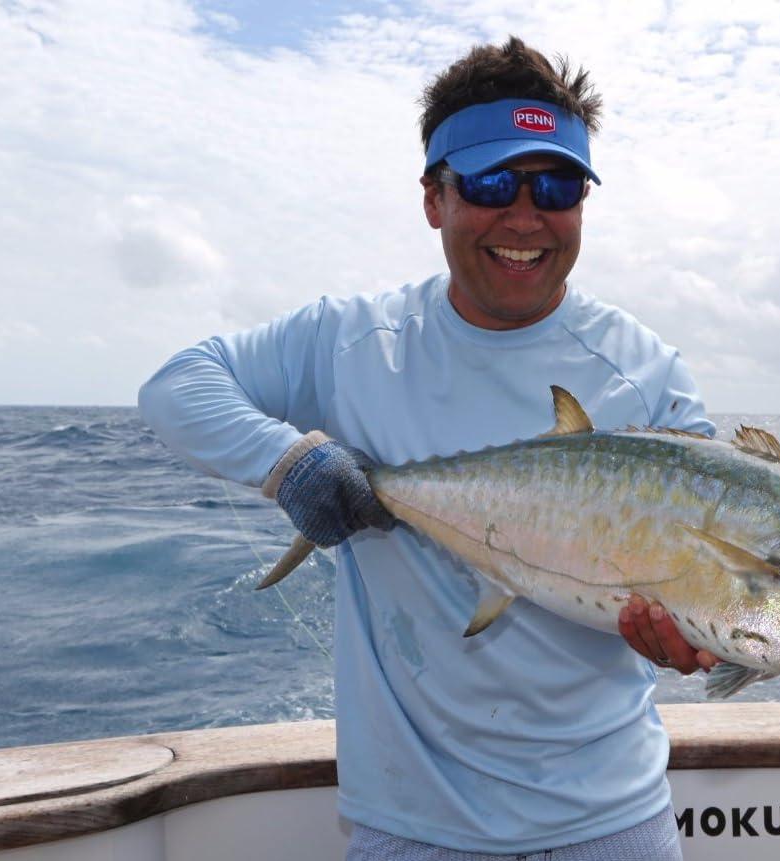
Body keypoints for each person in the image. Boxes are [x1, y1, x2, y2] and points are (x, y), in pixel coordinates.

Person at [139, 36, 717, 860]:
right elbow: (178, 384)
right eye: (491, 183)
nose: (525, 217)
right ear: (433, 198)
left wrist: (702, 635)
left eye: (556, 186)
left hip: (614, 821)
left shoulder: (650, 372)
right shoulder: (354, 342)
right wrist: (290, 463)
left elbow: (717, 571)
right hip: (411, 826)